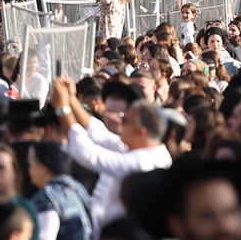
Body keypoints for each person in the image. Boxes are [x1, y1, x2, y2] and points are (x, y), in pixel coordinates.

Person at [48, 78, 171, 229]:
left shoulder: (145, 162)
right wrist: (72, 99)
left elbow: (89, 155)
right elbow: (100, 134)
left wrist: (63, 109)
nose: (119, 122)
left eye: (125, 120)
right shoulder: (144, 149)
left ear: (141, 132)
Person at [26, 142, 93, 240]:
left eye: (30, 164)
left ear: (43, 166)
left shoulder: (47, 195)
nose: (28, 170)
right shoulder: (77, 188)